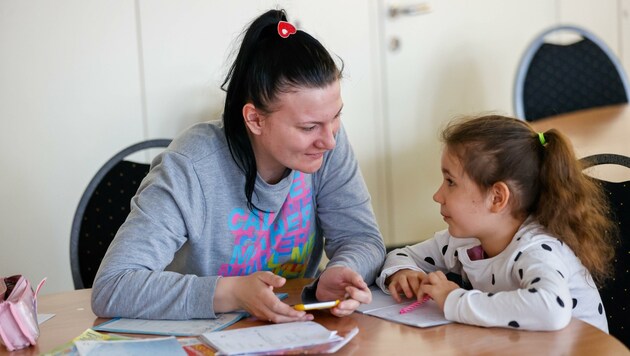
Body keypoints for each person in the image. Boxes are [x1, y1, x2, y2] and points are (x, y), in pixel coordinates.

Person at [91, 9, 385, 323]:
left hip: (294, 333)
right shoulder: (191, 165)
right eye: (308, 127)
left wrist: (343, 269)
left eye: (336, 116)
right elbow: (113, 286)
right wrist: (231, 293)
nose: (328, 140)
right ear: (255, 119)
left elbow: (363, 239)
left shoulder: (327, 144)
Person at [376, 115, 615, 332]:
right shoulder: (464, 241)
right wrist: (404, 274)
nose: (437, 196)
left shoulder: (536, 250)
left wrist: (454, 299)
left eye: (450, 182)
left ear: (497, 198)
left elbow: (552, 309)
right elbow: (401, 255)